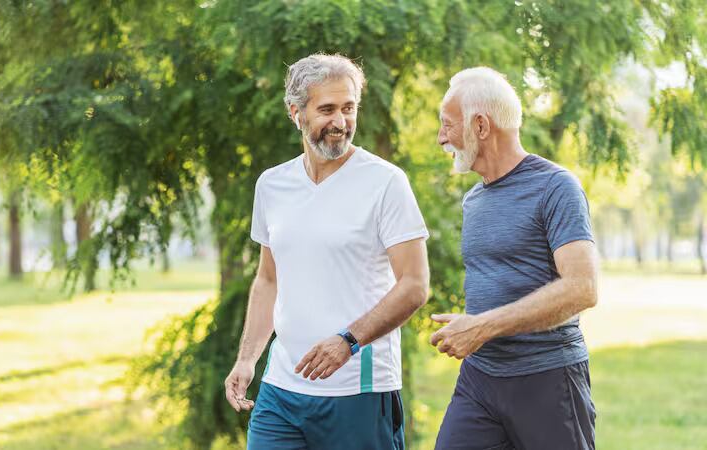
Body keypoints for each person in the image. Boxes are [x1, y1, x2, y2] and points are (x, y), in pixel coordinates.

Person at [223, 53, 430, 450]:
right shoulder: (272, 185)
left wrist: (348, 340)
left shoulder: (386, 182)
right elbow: (268, 280)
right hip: (281, 390)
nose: (340, 122)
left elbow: (414, 285)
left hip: (357, 390)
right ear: (295, 113)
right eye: (327, 109)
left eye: (349, 108)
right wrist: (247, 359)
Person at [431, 67, 599, 450]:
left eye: (447, 125)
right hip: (480, 378)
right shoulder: (473, 200)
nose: (441, 137)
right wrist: (475, 328)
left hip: (547, 377)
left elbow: (583, 288)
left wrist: (482, 327)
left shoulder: (556, 187)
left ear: (480, 126)